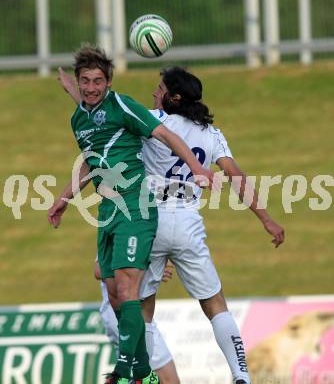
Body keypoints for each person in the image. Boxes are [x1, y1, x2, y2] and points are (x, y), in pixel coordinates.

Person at [55, 65, 285, 384]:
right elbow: (237, 177)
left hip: (147, 218)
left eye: (159, 88)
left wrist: (75, 91)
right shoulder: (212, 134)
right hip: (188, 223)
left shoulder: (155, 121)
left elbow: (106, 117)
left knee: (139, 308)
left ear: (173, 98)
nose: (154, 92)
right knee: (215, 304)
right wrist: (267, 219)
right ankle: (241, 374)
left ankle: (142, 375)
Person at [48, 45, 214, 384]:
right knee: (113, 296)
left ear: (109, 82)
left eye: (98, 81)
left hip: (135, 204)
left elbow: (164, 133)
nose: (91, 87)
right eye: (85, 81)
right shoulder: (78, 118)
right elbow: (92, 165)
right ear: (79, 83)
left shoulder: (123, 104)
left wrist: (196, 166)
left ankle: (127, 372)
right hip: (108, 210)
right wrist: (63, 198)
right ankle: (142, 373)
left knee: (127, 291)